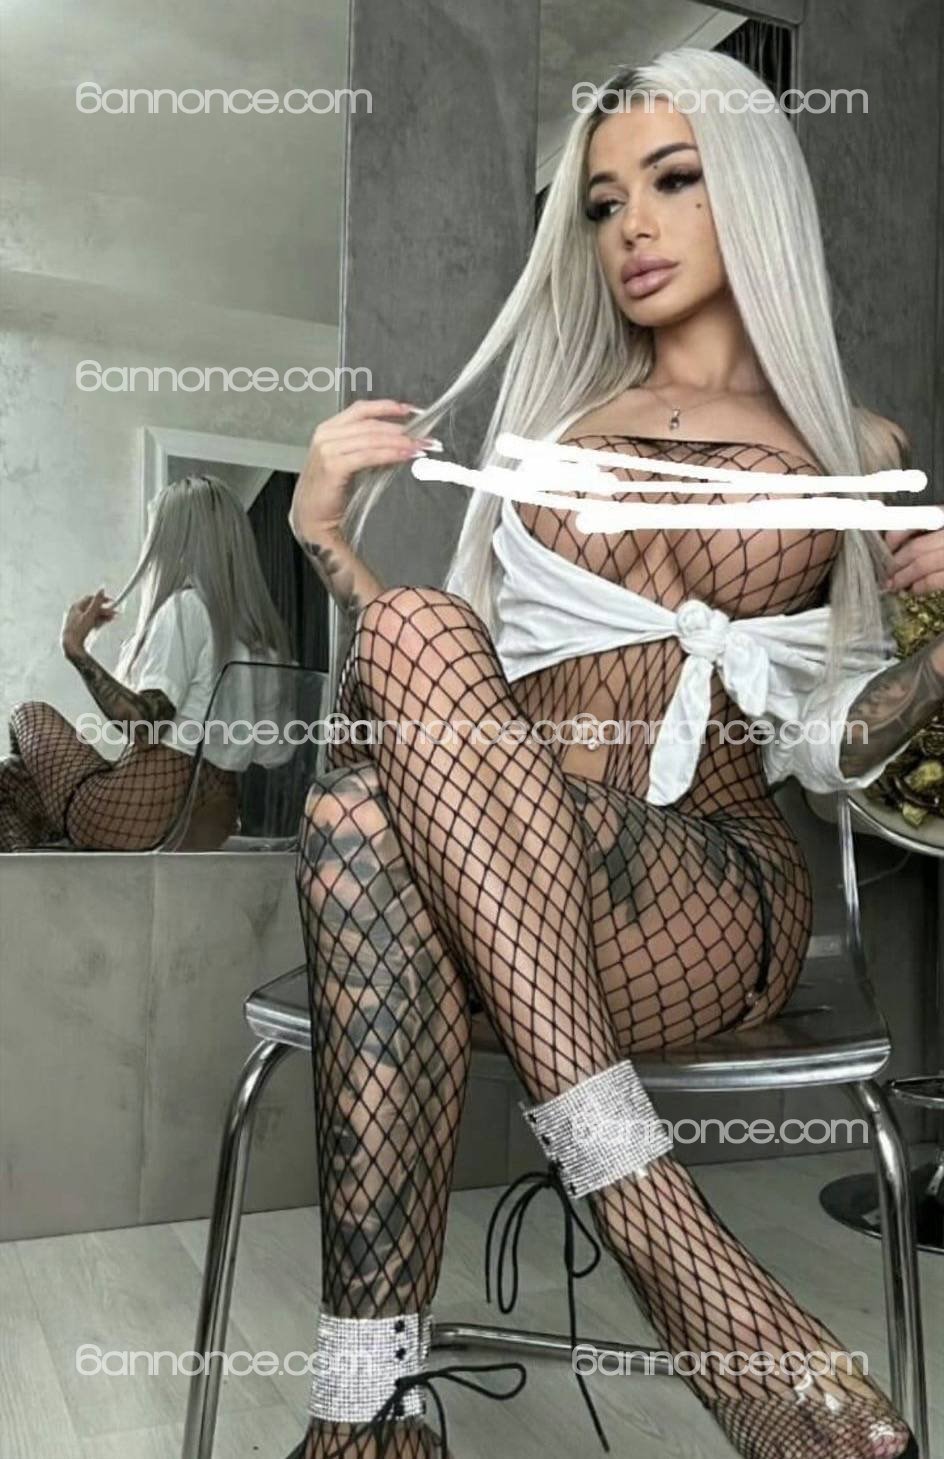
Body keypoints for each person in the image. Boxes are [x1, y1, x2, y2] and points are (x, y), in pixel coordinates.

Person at [284, 49, 944, 1459]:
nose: (630, 226)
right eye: (599, 203)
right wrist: (327, 541)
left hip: (707, 888)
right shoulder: (547, 434)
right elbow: (434, 698)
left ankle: (379, 1405)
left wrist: (940, 648)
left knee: (365, 815)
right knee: (391, 704)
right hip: (512, 869)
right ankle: (426, 1371)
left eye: (673, 179)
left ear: (748, 190)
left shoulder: (853, 444)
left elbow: (848, 751)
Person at [0, 474, 293, 852]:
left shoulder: (186, 608)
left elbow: (145, 726)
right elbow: (275, 751)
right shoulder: (261, 636)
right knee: (10, 776)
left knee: (27, 714)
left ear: (171, 541)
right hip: (213, 816)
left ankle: (44, 872)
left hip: (137, 813)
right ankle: (50, 851)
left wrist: (75, 649)